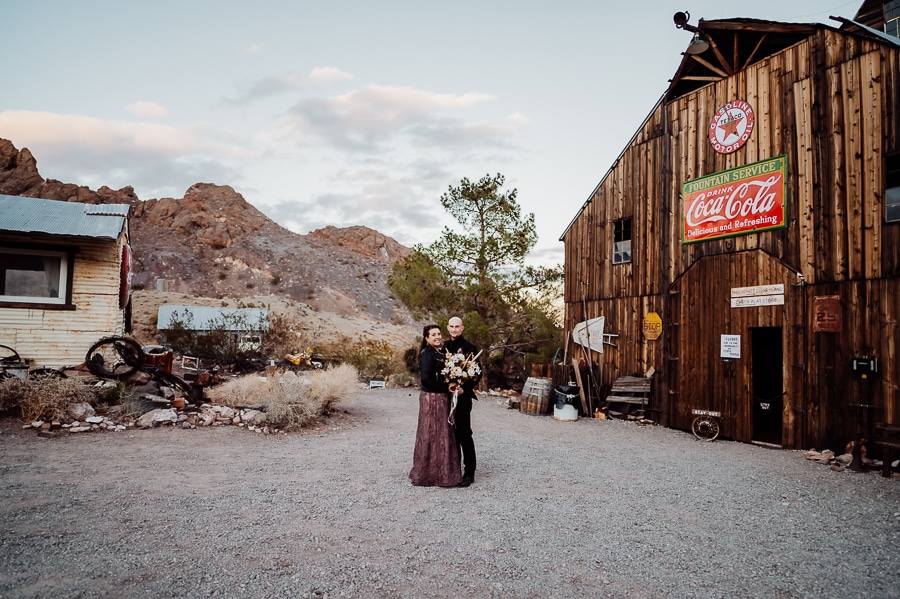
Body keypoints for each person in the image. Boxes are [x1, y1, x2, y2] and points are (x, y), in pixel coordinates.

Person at [409, 324, 463, 487]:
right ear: (426, 338)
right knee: (432, 433)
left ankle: (442, 472)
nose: (438, 337)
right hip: (431, 398)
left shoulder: (438, 352)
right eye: (433, 335)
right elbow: (426, 380)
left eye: (439, 334)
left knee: (442, 433)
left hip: (440, 398)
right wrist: (447, 388)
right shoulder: (426, 354)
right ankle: (429, 474)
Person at [443, 316, 482, 487]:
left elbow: (478, 373)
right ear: (447, 327)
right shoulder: (444, 346)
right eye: (451, 326)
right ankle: (454, 468)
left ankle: (469, 472)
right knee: (450, 434)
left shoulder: (469, 348)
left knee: (464, 433)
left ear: (462, 328)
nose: (454, 329)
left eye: (457, 326)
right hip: (446, 396)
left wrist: (465, 387)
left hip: (463, 397)